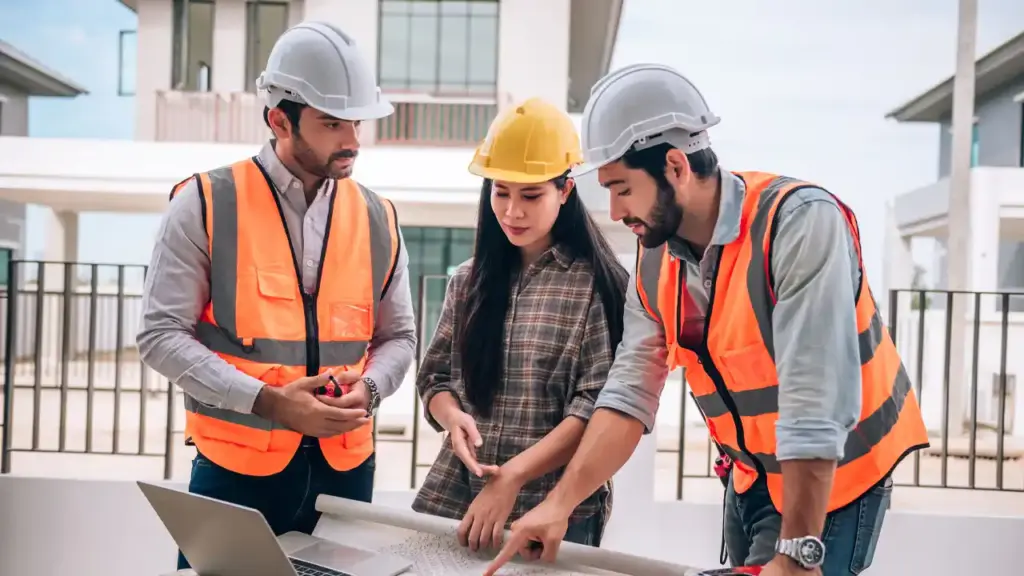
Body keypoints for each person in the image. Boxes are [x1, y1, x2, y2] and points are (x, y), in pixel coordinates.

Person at [485, 64, 930, 576]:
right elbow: (628, 395)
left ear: (675, 167)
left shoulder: (798, 223)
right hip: (749, 479)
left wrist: (799, 550)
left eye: (623, 188)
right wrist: (558, 506)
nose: (613, 209)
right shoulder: (655, 261)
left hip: (834, 482)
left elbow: (815, 398)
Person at [136, 22, 416, 571]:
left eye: (356, 120)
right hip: (234, 472)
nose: (352, 139)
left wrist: (373, 390)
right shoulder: (205, 202)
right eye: (333, 123)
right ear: (279, 119)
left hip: (347, 471)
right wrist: (269, 402)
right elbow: (159, 334)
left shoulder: (378, 217)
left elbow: (399, 336)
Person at [412, 97, 629, 552]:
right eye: (500, 192)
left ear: (566, 190)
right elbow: (435, 378)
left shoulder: (596, 287)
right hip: (460, 500)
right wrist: (453, 421)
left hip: (553, 512)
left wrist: (514, 475)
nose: (512, 212)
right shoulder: (468, 281)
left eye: (531, 195)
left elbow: (594, 408)